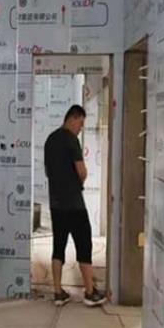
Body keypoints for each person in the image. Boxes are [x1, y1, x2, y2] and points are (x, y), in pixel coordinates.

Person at [43, 104, 107, 308]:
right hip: (74, 204)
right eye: (80, 124)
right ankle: (90, 292)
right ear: (72, 118)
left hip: (56, 204)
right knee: (84, 245)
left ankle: (58, 292)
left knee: (58, 247)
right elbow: (82, 171)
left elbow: (47, 171)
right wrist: (79, 181)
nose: (80, 129)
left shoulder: (50, 140)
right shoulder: (71, 140)